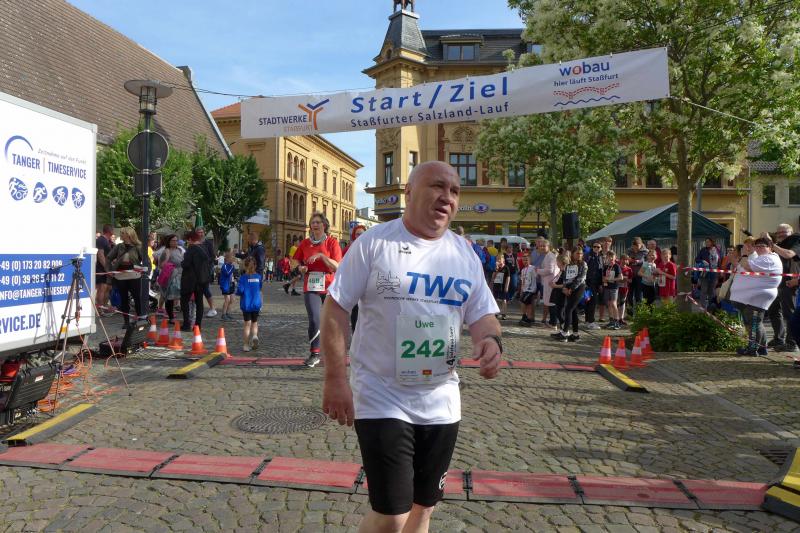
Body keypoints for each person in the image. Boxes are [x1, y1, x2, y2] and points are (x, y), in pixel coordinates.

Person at [320, 161, 501, 533]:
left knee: (423, 508)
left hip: (441, 400)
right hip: (381, 395)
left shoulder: (464, 254)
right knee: (392, 513)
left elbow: (483, 313)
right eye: (437, 186)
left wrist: (490, 341)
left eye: (454, 191)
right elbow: (335, 307)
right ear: (408, 192)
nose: (447, 197)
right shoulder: (375, 243)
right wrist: (335, 379)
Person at [294, 212, 342, 367]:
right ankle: (314, 353)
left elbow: (337, 266)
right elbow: (295, 261)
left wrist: (322, 256)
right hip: (311, 285)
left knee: (330, 321)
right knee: (314, 319)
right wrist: (300, 267)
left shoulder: (332, 242)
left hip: (329, 285)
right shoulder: (305, 243)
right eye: (312, 222)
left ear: (324, 225)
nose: (314, 225)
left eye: (317, 222)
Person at [730, 237, 783, 356]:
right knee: (755, 322)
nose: (758, 249)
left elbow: (747, 266)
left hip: (757, 296)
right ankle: (761, 348)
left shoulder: (768, 258)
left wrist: (744, 255)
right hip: (754, 296)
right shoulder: (763, 257)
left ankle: (752, 349)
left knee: (754, 323)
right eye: (757, 246)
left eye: (762, 246)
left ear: (770, 248)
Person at [768, 224, 800, 352]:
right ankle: (778, 338)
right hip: (776, 283)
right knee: (774, 311)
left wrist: (772, 245)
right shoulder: (780, 245)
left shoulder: (796, 243)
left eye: (784, 232)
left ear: (791, 233)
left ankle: (792, 343)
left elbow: (788, 254)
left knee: (790, 314)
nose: (781, 234)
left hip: (790, 283)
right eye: (779, 232)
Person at [105, 227, 144, 327]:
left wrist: (144, 269)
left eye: (123, 233)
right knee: (123, 299)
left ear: (129, 235)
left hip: (134, 275)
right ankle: (126, 322)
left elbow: (146, 260)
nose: (121, 235)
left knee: (137, 298)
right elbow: (108, 258)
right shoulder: (119, 246)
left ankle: (140, 320)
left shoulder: (138, 246)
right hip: (120, 275)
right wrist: (109, 270)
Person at [180, 230, 212, 332]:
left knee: (184, 301)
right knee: (199, 303)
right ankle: (198, 325)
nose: (187, 242)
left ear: (190, 239)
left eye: (187, 240)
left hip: (190, 280)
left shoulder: (191, 249)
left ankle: (186, 324)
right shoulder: (204, 248)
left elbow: (186, 264)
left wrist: (182, 262)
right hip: (202, 280)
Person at [552, 247, 586, 342]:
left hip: (579, 288)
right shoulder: (569, 264)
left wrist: (571, 288)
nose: (579, 255)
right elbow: (565, 278)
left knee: (568, 309)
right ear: (572, 254)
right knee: (573, 311)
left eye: (581, 253)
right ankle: (575, 334)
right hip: (569, 288)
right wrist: (565, 288)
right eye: (577, 253)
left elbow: (580, 278)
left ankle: (564, 333)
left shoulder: (583, 264)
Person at [344, 224, 367, 332]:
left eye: (362, 234)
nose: (360, 236)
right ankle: (354, 333)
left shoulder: (371, 247)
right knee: (356, 309)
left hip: (368, 283)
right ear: (354, 235)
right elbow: (341, 263)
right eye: (357, 234)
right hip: (354, 282)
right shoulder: (348, 249)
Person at [237, 257, 263, 351]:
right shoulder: (259, 277)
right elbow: (259, 289)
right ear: (255, 266)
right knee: (255, 322)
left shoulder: (243, 278)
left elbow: (240, 291)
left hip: (246, 304)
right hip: (256, 303)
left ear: (245, 266)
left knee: (247, 324)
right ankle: (255, 336)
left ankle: (246, 345)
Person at [157, 234, 183, 323]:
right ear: (169, 241)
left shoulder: (179, 250)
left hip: (181, 275)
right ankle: (171, 317)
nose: (175, 242)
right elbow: (161, 265)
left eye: (176, 240)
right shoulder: (166, 251)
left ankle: (185, 316)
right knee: (170, 297)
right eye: (173, 241)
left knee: (180, 296)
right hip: (171, 277)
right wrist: (167, 257)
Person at [195, 227, 218, 317]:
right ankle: (197, 308)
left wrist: (206, 263)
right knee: (196, 290)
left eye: (201, 232)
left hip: (205, 270)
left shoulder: (208, 243)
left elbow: (212, 256)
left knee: (205, 289)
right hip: (195, 270)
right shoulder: (193, 243)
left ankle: (213, 308)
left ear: (204, 233)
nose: (200, 234)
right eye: (198, 232)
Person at [695, 238, 721, 310]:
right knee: (704, 290)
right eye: (706, 242)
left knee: (711, 291)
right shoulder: (703, 250)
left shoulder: (717, 250)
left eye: (708, 241)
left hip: (714, 273)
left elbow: (719, 261)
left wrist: (719, 272)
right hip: (705, 273)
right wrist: (702, 261)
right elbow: (696, 259)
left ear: (712, 242)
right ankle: (703, 308)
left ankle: (710, 307)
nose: (707, 243)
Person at [584, 241, 604, 329]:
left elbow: (600, 271)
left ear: (601, 248)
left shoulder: (600, 257)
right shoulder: (588, 256)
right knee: (592, 301)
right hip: (589, 283)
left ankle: (588, 320)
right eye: (594, 246)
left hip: (596, 283)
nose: (596, 248)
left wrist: (600, 284)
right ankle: (590, 321)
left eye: (598, 247)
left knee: (590, 301)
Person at [95, 224, 114, 316]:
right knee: (102, 289)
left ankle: (105, 307)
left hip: (106, 269)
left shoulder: (107, 241)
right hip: (102, 269)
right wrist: (106, 269)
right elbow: (100, 255)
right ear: (110, 231)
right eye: (112, 230)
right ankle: (100, 309)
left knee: (108, 288)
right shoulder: (101, 240)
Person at [602, 250, 623, 330]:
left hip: (614, 287)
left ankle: (617, 322)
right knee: (608, 304)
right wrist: (604, 279)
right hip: (607, 287)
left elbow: (621, 277)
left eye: (612, 256)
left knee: (614, 303)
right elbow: (603, 277)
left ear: (615, 257)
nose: (610, 258)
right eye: (609, 256)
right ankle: (611, 321)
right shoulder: (606, 267)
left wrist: (612, 279)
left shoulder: (616, 266)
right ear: (606, 258)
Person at [492, 254, 511, 320]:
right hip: (496, 286)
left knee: (504, 299)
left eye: (500, 259)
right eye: (497, 259)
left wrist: (506, 286)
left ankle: (504, 313)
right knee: (496, 299)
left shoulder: (506, 268)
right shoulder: (496, 268)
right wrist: (496, 269)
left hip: (503, 286)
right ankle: (496, 313)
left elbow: (508, 277)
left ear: (503, 260)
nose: (499, 260)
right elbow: (493, 278)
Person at [518, 255, 535, 327]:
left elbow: (536, 276)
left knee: (523, 301)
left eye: (526, 260)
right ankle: (528, 318)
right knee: (528, 304)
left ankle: (525, 316)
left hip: (531, 290)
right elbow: (522, 281)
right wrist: (521, 290)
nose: (525, 261)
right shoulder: (523, 270)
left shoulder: (533, 268)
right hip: (525, 289)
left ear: (529, 260)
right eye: (523, 260)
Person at [219, 251, 237, 320]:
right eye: (232, 258)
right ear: (228, 258)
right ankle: (223, 314)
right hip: (225, 285)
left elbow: (232, 275)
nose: (233, 259)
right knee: (227, 299)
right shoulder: (225, 266)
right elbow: (227, 273)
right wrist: (232, 268)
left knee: (232, 299)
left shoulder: (231, 266)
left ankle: (227, 313)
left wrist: (234, 280)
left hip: (231, 284)